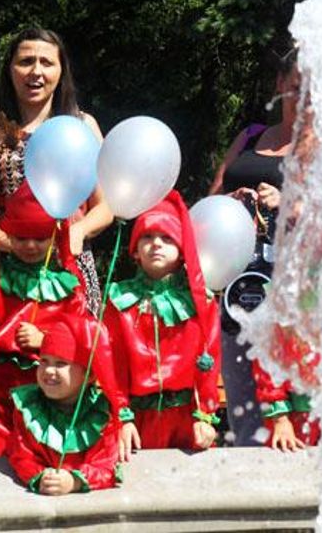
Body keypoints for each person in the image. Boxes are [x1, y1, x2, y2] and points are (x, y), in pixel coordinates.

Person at [0, 28, 112, 312]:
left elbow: (106, 205)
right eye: (26, 61)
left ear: (62, 71)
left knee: (65, 354)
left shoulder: (83, 126)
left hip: (69, 273)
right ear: (9, 69)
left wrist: (79, 231)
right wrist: (11, 244)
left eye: (47, 62)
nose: (36, 71)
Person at [208, 46, 298, 446]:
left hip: (298, 302)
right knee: (245, 411)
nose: (305, 95)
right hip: (240, 290)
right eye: (297, 85)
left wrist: (292, 203)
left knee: (296, 412)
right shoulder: (250, 136)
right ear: (280, 84)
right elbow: (210, 201)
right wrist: (231, 204)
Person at [0, 182, 90, 456]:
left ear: (54, 236)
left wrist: (46, 340)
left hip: (45, 389)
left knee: (38, 452)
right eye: (20, 237)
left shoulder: (67, 285)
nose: (29, 245)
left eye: (39, 238)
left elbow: (79, 335)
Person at [105, 191, 221, 457]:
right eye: (147, 236)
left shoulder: (198, 301)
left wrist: (205, 416)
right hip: (136, 420)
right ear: (134, 250)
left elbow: (210, 359)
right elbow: (113, 362)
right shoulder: (120, 299)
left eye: (166, 237)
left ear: (182, 250)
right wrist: (122, 416)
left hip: (187, 419)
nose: (156, 244)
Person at [5, 317, 122, 494]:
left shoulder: (103, 413)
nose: (49, 370)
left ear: (89, 375)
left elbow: (107, 465)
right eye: (43, 361)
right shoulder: (28, 408)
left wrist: (75, 481)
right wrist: (40, 477)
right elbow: (21, 456)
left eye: (61, 364)